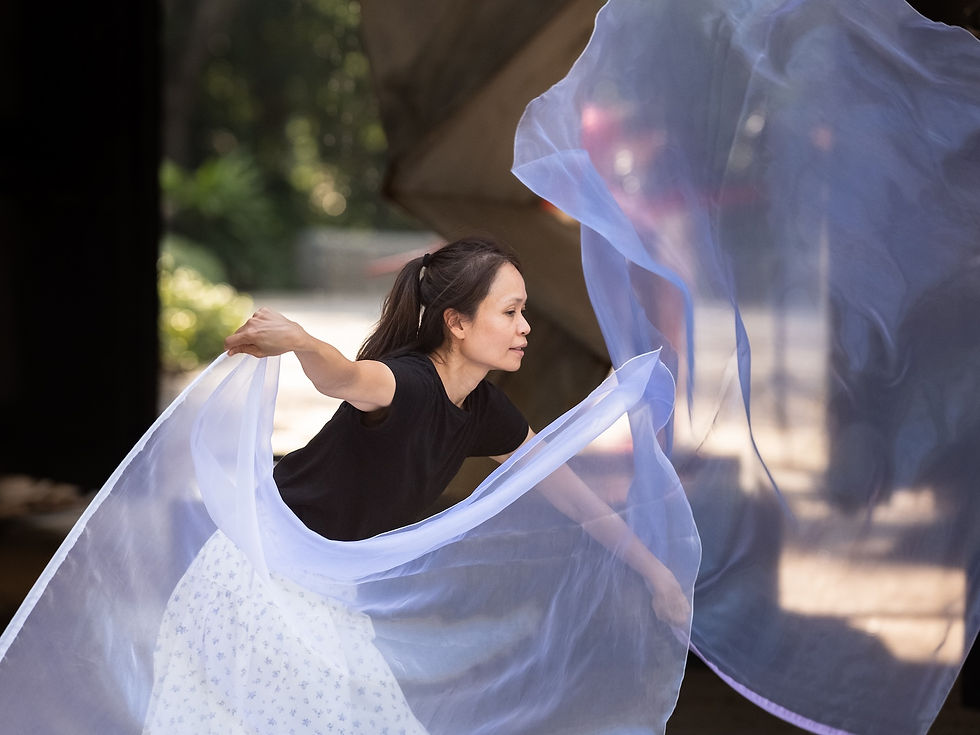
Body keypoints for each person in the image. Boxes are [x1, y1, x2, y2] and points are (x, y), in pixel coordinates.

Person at [141, 236, 688, 734]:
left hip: (331, 593)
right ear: (457, 322)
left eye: (525, 311)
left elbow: (568, 492)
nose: (526, 327)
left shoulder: (483, 410)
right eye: (510, 311)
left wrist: (655, 571)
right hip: (259, 577)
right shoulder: (405, 381)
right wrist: (301, 340)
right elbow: (344, 378)